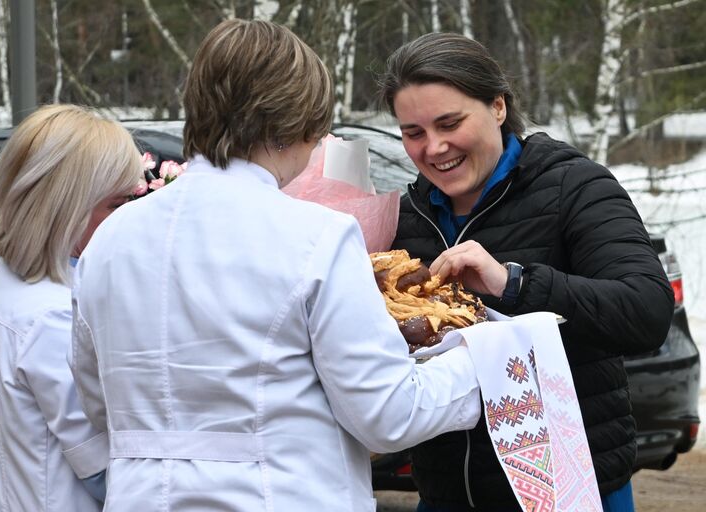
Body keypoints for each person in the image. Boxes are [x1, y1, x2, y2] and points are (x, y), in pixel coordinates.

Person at [69, 19, 483, 512]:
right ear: (295, 124)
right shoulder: (315, 236)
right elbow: (386, 414)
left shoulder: (111, 238)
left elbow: (97, 398)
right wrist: (482, 358)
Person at [377, 32, 674, 512]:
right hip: (446, 493)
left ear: (497, 106)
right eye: (414, 132)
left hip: (569, 492)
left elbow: (647, 312)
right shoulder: (405, 215)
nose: (434, 147)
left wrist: (512, 284)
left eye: (450, 123)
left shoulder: (574, 185)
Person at [0, 104, 142, 512]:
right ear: (65, 207)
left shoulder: (17, 279)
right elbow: (104, 473)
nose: (129, 218)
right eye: (117, 205)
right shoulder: (54, 314)